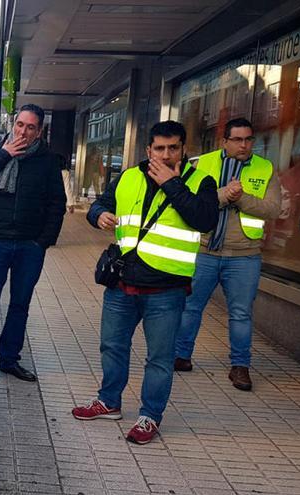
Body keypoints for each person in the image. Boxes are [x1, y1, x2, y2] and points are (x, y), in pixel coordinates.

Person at [71, 121, 218, 445]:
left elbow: (206, 220)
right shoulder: (128, 177)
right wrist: (98, 215)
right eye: (160, 149)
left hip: (167, 289)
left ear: (183, 149)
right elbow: (100, 204)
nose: (166, 155)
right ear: (148, 150)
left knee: (160, 358)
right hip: (122, 283)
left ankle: (150, 416)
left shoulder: (200, 181)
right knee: (112, 346)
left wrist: (173, 184)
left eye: (174, 148)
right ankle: (109, 402)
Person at [0, 103, 66, 388]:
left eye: (31, 127)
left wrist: (42, 242)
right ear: (13, 124)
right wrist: (4, 155)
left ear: (39, 131)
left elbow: (57, 203)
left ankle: (10, 359)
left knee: (20, 305)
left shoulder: (46, 160)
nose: (24, 131)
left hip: (29, 246)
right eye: (20, 125)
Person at [174, 118, 281, 391]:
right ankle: (180, 356)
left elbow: (271, 209)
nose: (244, 145)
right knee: (190, 306)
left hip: (244, 255)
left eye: (249, 139)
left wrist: (242, 198)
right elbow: (188, 202)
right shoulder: (202, 164)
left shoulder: (264, 168)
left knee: (241, 313)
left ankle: (240, 367)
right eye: (238, 139)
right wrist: (224, 195)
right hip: (204, 250)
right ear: (224, 141)